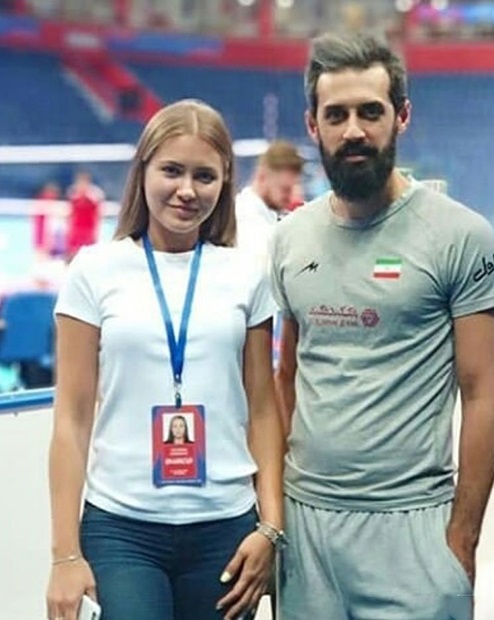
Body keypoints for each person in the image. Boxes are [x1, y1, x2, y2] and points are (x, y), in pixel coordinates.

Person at [270, 32, 494, 620]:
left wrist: (463, 538)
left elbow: (484, 393)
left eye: (370, 112)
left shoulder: (462, 236)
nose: (353, 130)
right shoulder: (289, 238)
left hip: (415, 531)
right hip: (306, 533)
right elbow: (286, 377)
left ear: (401, 116)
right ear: (312, 125)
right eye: (336, 115)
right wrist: (276, 516)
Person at [46, 99, 285, 620]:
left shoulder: (245, 276)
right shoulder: (94, 272)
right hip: (122, 529)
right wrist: (65, 555)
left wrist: (271, 527)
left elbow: (263, 411)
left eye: (205, 176)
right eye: (172, 170)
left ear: (224, 182)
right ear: (143, 172)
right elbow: (71, 419)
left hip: (226, 528)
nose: (187, 190)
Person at [235, 140, 304, 263]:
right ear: (262, 177)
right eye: (285, 189)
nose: (291, 197)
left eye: (294, 187)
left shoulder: (276, 218)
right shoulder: (244, 221)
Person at [65, 170, 104, 261]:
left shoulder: (94, 198)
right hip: (76, 232)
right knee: (73, 255)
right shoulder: (73, 197)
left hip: (88, 232)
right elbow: (70, 214)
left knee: (89, 256)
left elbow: (98, 214)